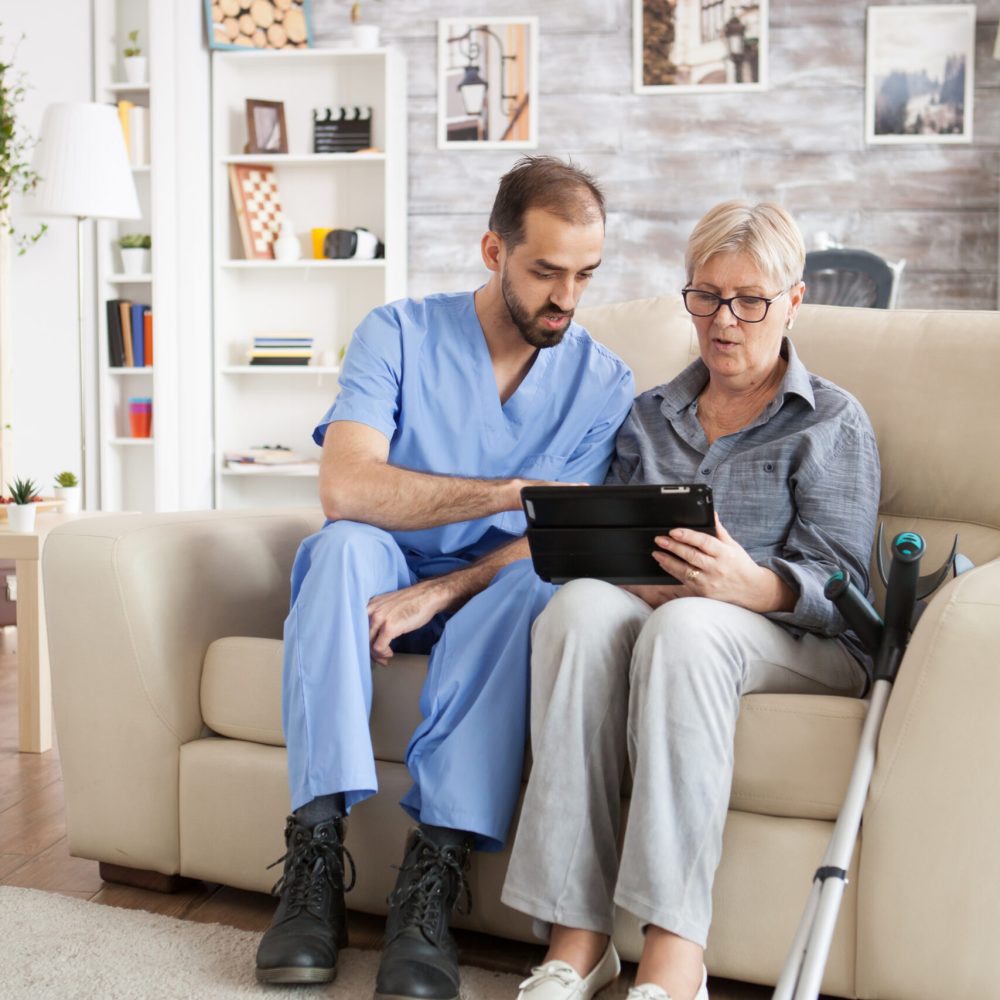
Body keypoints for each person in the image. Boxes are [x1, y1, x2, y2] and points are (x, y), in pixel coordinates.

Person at [255, 156, 634, 1000]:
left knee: (540, 581)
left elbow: (557, 538)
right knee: (342, 546)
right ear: (493, 250)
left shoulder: (603, 384)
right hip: (381, 563)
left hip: (490, 593)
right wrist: (509, 491)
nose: (564, 298)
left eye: (584, 276)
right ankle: (314, 859)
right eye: (544, 271)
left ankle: (432, 877)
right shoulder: (396, 332)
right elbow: (347, 487)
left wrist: (442, 589)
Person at [501, 201, 881, 1000]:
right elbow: (611, 546)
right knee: (575, 612)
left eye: (749, 300)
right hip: (670, 615)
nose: (723, 319)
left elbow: (843, 593)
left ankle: (675, 958)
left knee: (689, 627)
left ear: (794, 303)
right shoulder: (650, 416)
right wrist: (620, 573)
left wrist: (756, 584)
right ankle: (578, 941)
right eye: (705, 296)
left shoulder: (834, 423)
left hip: (799, 643)